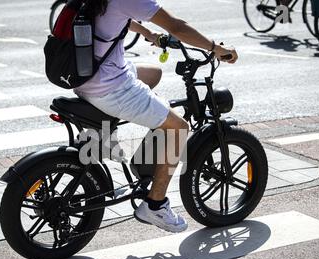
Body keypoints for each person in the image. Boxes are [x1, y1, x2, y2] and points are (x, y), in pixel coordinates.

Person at [74, 0, 238, 233]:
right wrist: (216, 48)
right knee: (179, 128)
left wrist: (149, 33)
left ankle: (124, 140)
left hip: (89, 75)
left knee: (154, 73)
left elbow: (119, 17)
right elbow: (177, 27)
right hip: (110, 87)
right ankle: (155, 204)